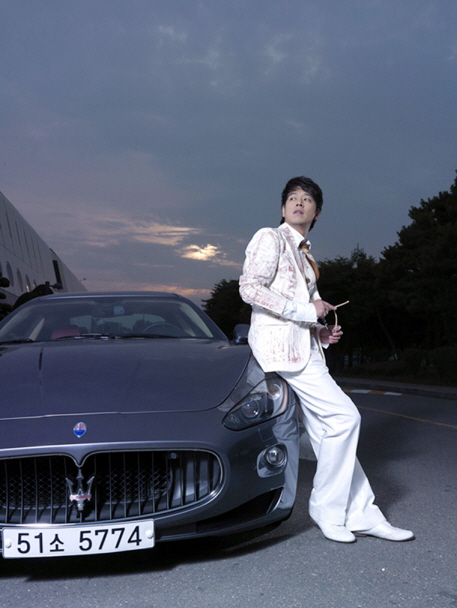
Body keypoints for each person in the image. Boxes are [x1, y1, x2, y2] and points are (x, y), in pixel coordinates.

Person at [239, 176, 414, 543]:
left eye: (307, 200)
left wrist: (320, 331)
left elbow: (303, 311)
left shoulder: (306, 255)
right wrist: (308, 310)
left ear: (316, 213)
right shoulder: (271, 238)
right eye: (292, 198)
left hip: (305, 348)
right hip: (282, 351)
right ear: (283, 207)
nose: (298, 203)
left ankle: (362, 513)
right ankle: (326, 509)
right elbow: (250, 288)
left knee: (330, 433)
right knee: (345, 418)